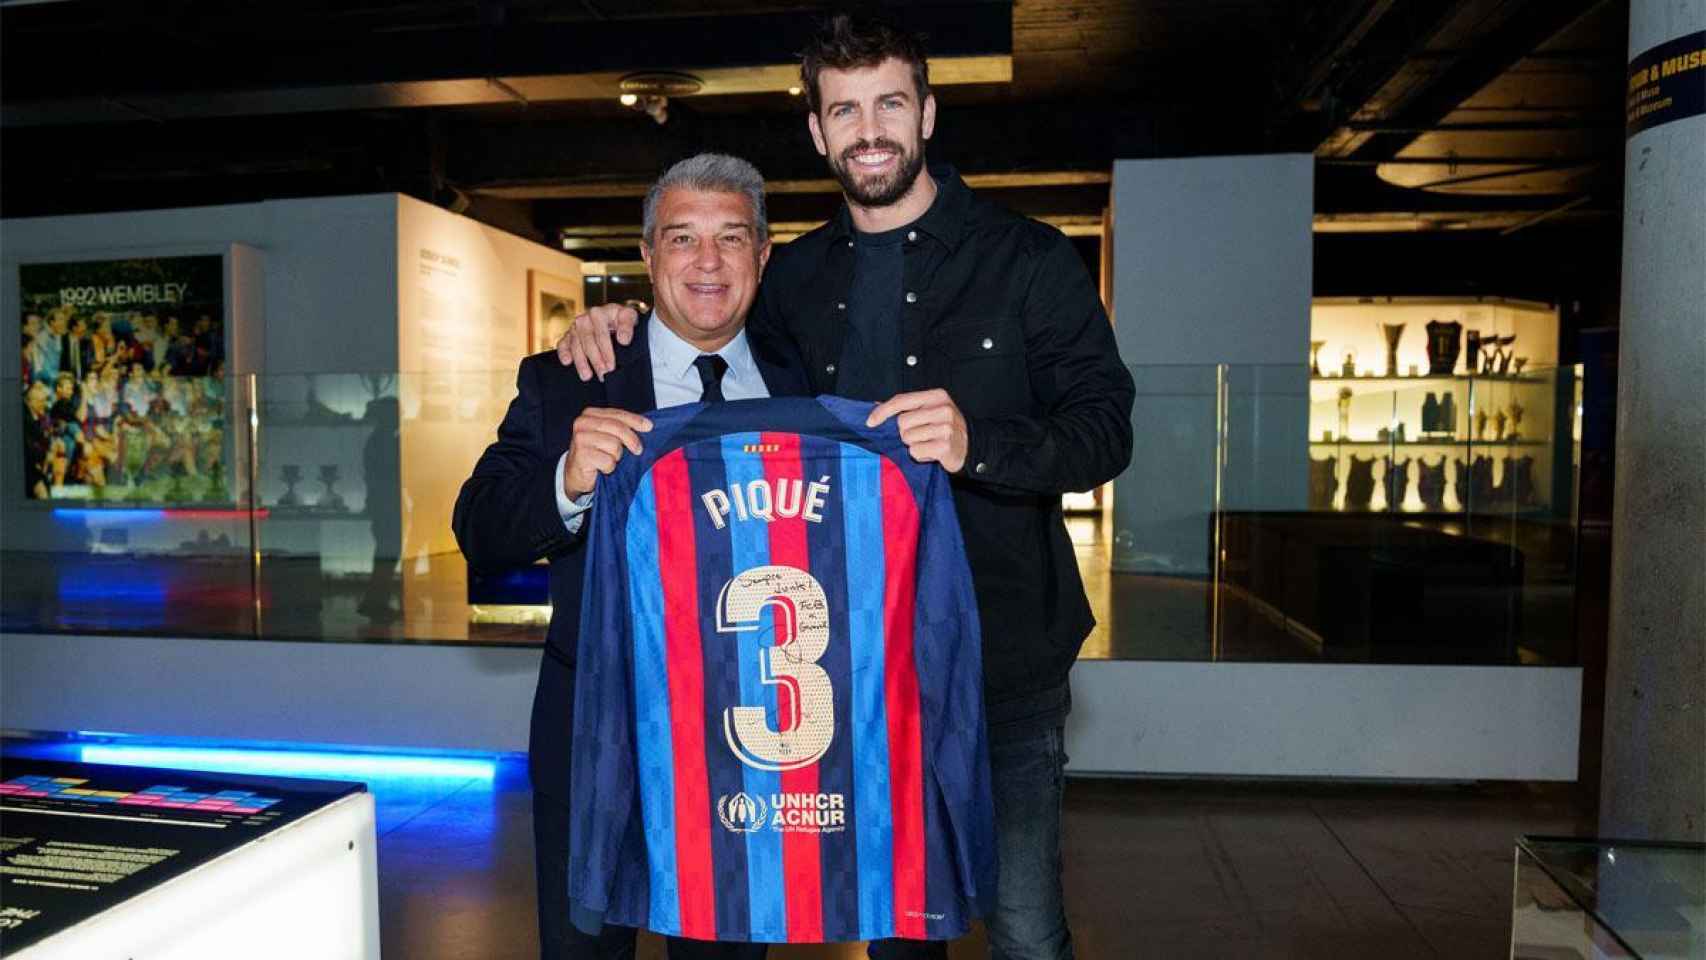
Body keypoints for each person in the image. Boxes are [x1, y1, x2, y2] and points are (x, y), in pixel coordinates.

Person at [557, 14, 1136, 960]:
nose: (871, 130)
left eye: (890, 104)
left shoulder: (1029, 259)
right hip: (855, 670)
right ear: (820, 133)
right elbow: (710, 351)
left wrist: (978, 441)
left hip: (1004, 658)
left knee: (1026, 928)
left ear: (928, 115)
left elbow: (1106, 429)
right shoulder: (793, 280)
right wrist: (618, 320)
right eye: (846, 110)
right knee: (894, 925)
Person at [454, 153, 809, 960]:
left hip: (752, 744)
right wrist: (567, 481)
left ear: (763, 255)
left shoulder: (808, 389)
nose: (708, 262)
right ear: (648, 258)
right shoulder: (572, 378)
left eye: (731, 238)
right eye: (682, 238)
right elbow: (479, 525)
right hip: (595, 741)